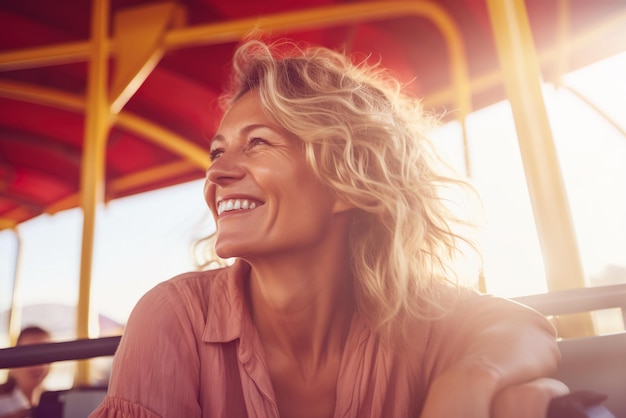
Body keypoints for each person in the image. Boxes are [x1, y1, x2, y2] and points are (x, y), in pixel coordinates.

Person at [90, 38, 568, 418]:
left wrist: (469, 382)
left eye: (257, 143)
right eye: (218, 152)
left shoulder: (416, 314)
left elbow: (522, 327)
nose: (216, 173)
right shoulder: (176, 317)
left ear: (348, 183)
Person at [0, 326, 51, 418]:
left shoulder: (56, 401)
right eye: (29, 356)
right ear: (15, 358)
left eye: (44, 356)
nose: (38, 365)